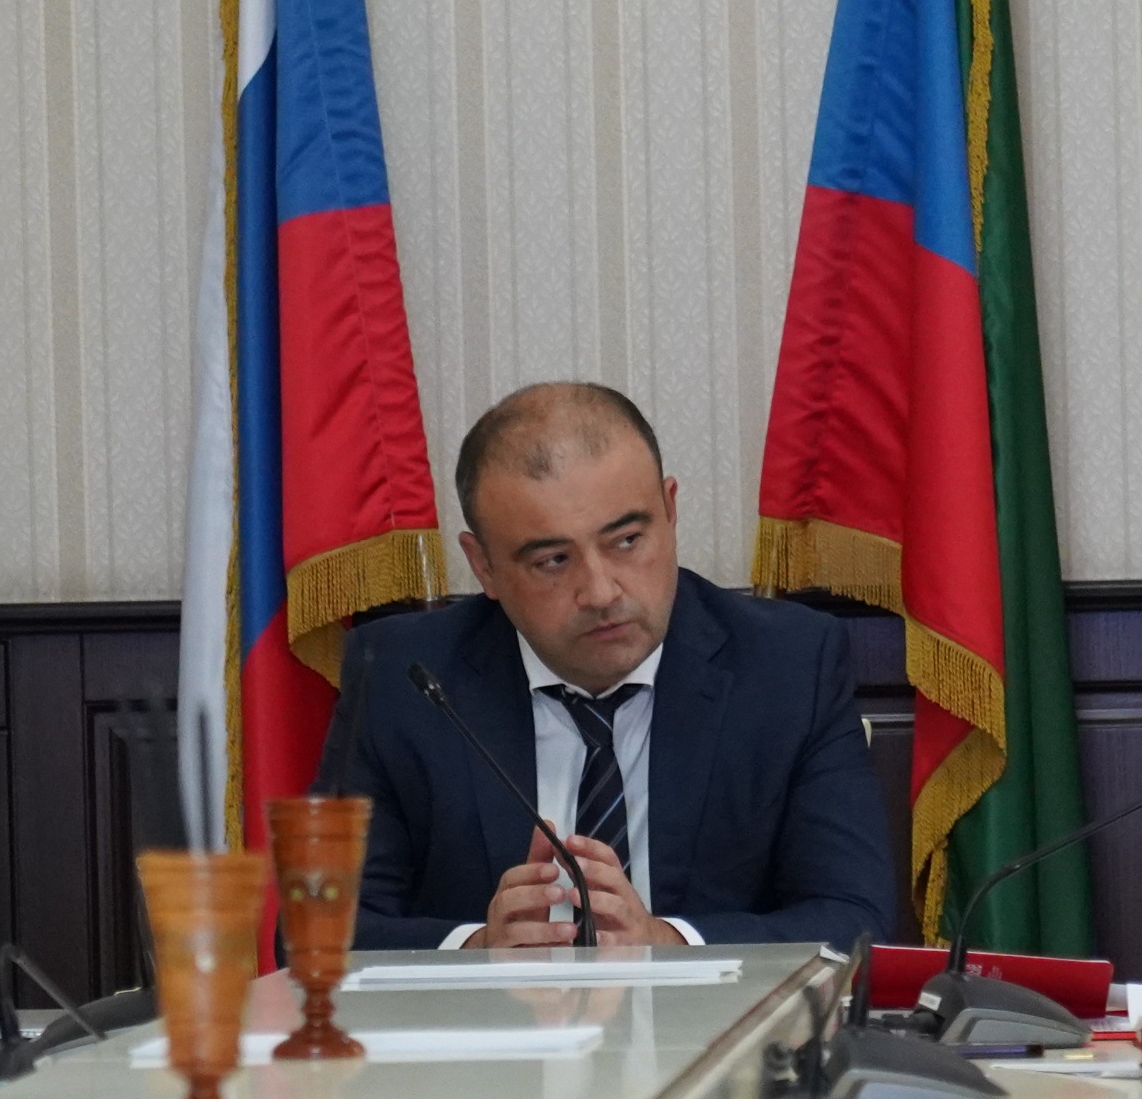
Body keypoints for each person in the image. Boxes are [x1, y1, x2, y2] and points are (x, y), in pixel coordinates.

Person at [321, 381, 898, 951]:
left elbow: (855, 917)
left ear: (670, 511)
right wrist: (477, 952)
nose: (600, 592)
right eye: (553, 560)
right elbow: (321, 931)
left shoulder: (788, 665)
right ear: (485, 567)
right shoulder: (404, 678)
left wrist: (667, 944)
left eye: (626, 541)